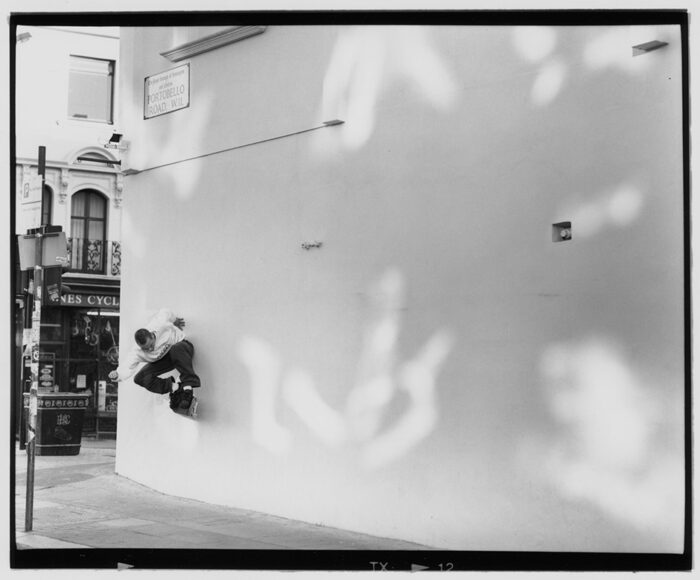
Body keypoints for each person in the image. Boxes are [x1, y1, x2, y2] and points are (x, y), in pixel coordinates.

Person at [108, 308, 201, 414]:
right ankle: (176, 388)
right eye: (145, 348)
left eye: (151, 345)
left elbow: (166, 311)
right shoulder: (137, 351)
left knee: (175, 348)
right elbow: (127, 365)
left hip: (183, 348)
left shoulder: (159, 324)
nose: (150, 349)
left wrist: (174, 320)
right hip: (165, 360)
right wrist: (117, 374)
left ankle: (187, 388)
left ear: (152, 336)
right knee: (139, 378)